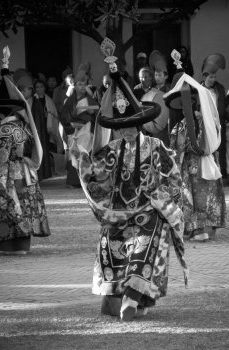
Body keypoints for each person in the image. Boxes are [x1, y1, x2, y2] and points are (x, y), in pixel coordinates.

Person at [69, 38, 188, 321]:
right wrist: (81, 158)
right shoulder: (111, 150)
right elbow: (97, 176)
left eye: (133, 126)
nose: (129, 132)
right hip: (119, 211)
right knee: (110, 243)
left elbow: (174, 178)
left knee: (146, 242)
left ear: (141, 123)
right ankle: (120, 297)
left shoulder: (157, 148)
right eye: (123, 129)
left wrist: (158, 195)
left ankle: (133, 297)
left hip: (148, 209)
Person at [164, 50, 225, 242]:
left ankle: (202, 229)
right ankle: (193, 228)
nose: (185, 107)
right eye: (182, 104)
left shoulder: (200, 121)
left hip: (197, 163)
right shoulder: (180, 125)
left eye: (188, 102)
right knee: (191, 195)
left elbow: (192, 144)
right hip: (188, 165)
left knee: (201, 195)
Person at [0, 46, 50, 255]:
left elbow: (1, 157)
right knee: (24, 205)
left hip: (8, 171)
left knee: (9, 205)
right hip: (25, 169)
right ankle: (22, 245)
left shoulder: (4, 129)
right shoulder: (22, 124)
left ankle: (8, 246)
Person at [60, 66, 99, 187]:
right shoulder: (69, 101)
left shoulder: (90, 99)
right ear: (75, 85)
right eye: (79, 84)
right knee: (74, 155)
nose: (81, 87)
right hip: (74, 131)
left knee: (85, 154)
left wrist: (89, 112)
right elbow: (63, 115)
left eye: (83, 84)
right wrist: (71, 123)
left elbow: (97, 113)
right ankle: (74, 181)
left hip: (86, 130)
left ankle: (87, 178)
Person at [201, 54, 227, 178]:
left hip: (217, 124)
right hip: (205, 124)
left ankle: (219, 174)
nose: (213, 80)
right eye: (211, 77)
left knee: (219, 150)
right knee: (207, 150)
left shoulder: (219, 89)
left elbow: (223, 106)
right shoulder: (198, 90)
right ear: (204, 77)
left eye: (214, 77)